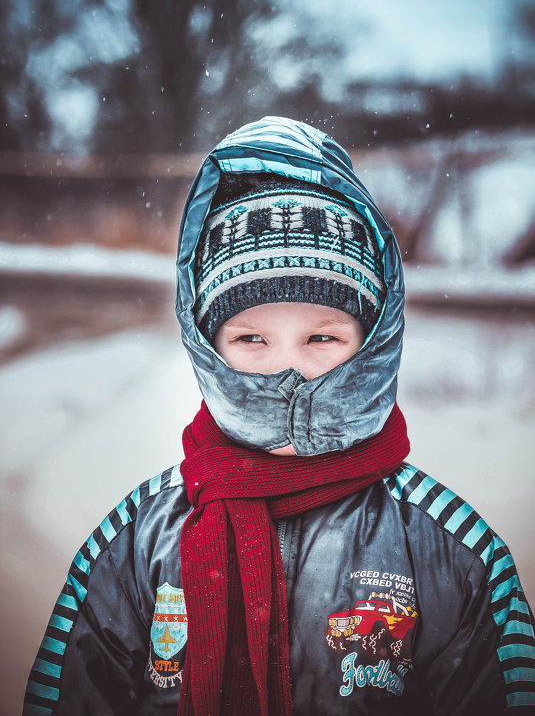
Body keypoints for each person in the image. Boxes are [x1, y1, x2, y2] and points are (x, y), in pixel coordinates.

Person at [23, 116, 535, 715]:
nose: (288, 375)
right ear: (207, 345)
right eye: (251, 340)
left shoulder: (451, 553)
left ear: (373, 343)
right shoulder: (138, 542)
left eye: (321, 339)